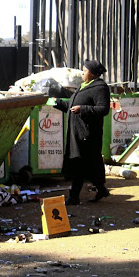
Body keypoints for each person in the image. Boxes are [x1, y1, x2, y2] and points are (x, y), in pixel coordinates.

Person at [53, 60, 111, 205]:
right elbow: (71, 107)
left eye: (85, 70)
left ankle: (74, 197)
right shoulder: (83, 86)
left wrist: (83, 109)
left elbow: (103, 109)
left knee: (80, 162)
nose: (82, 72)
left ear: (93, 73)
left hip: (88, 133)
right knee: (89, 164)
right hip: (77, 133)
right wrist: (56, 102)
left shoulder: (100, 88)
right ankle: (101, 189)